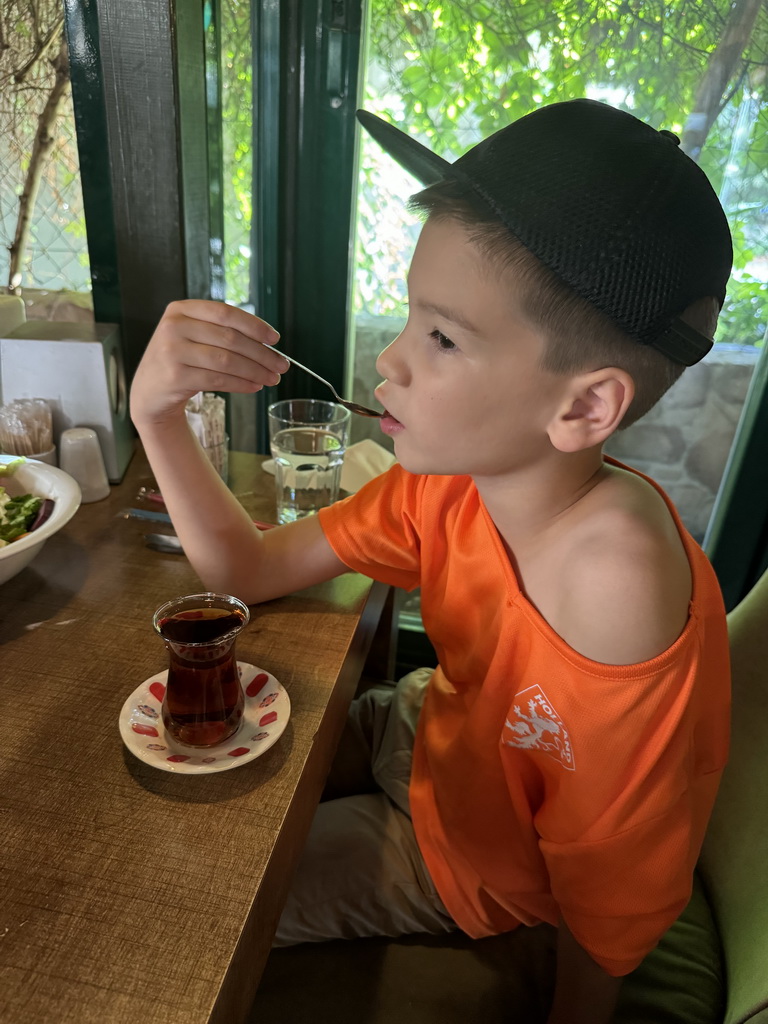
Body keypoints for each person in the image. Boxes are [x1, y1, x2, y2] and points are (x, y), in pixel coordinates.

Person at [130, 99, 732, 1024]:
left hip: (469, 856)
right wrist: (157, 416)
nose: (389, 360)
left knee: (196, 907)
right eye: (411, 315)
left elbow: (617, 876)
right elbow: (242, 574)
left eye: (443, 338)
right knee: (162, 783)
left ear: (584, 408)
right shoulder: (451, 480)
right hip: (425, 738)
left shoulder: (616, 588)